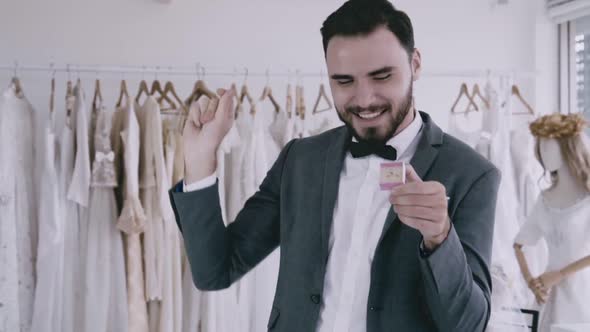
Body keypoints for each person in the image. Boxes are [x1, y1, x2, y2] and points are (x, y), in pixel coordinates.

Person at [169, 1, 500, 331]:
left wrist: (440, 239)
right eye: (344, 81)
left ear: (414, 64)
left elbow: (469, 325)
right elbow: (215, 270)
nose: (364, 98)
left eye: (382, 76)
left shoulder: (472, 174)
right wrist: (201, 160)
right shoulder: (300, 159)